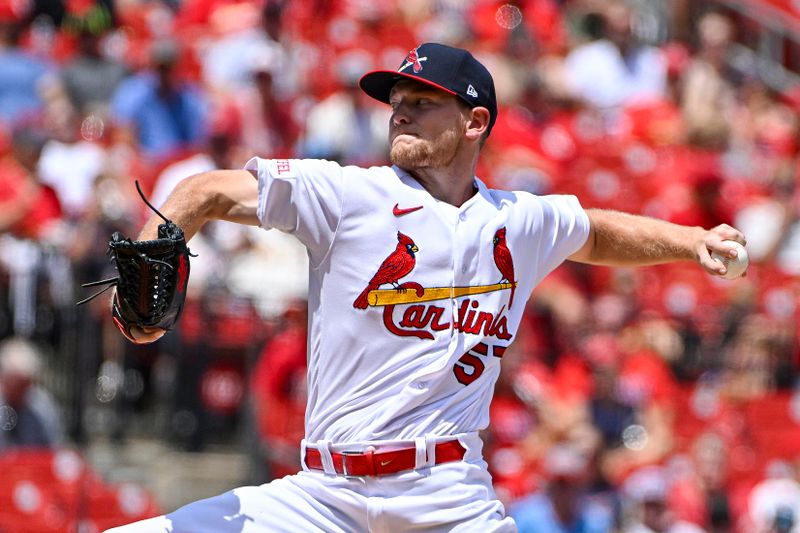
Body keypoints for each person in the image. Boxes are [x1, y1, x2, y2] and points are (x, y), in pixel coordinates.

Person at [106, 42, 746, 532]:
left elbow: (596, 232)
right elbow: (203, 192)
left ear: (474, 122)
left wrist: (691, 243)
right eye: (397, 102)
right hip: (321, 495)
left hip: (448, 496)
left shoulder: (517, 220)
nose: (401, 113)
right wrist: (149, 268)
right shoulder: (350, 195)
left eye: (422, 102)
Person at [0, 337, 64, 449]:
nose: (20, 389)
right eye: (16, 383)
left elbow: (53, 449)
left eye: (25, 384)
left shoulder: (43, 409)